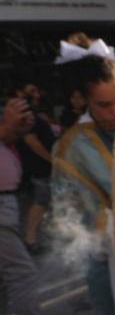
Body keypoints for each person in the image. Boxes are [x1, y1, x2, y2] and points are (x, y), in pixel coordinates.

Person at [0, 96, 88, 315]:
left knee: (6, 277)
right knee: (21, 275)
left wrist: (16, 129)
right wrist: (9, 126)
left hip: (7, 199)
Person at [51, 48, 115, 315]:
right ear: (82, 100)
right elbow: (70, 213)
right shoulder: (71, 148)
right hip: (111, 252)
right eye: (104, 105)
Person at [13, 79, 57, 253]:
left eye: (37, 91)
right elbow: (31, 141)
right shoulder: (25, 114)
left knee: (42, 201)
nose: (36, 95)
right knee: (41, 201)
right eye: (31, 91)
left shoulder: (31, 113)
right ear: (19, 93)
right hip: (39, 167)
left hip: (39, 167)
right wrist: (52, 159)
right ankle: (30, 240)